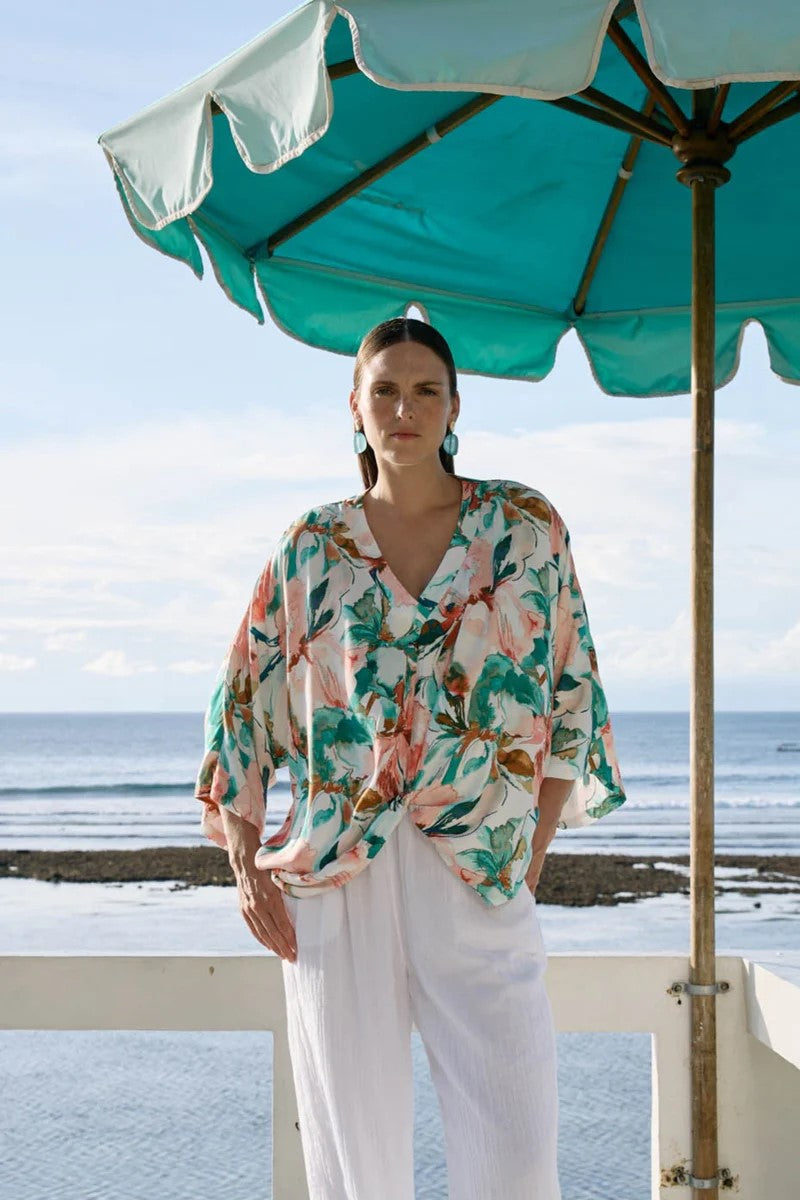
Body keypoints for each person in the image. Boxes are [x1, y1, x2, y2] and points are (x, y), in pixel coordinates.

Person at [194, 316, 627, 1200]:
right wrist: (244, 861)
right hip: (337, 874)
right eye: (384, 390)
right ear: (355, 409)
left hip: (480, 871)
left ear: (454, 407)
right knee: (357, 1166)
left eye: (424, 390)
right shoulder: (311, 547)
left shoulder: (523, 526)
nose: (404, 407)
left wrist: (533, 849)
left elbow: (570, 691)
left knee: (515, 1153)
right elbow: (244, 700)